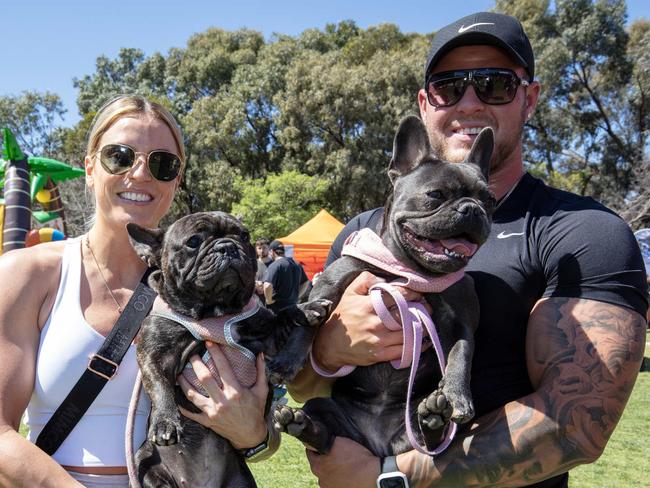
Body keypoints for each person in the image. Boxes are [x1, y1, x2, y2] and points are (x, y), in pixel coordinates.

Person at [289, 12, 648, 488]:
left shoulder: (583, 232)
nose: (470, 101)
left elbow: (577, 422)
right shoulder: (364, 235)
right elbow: (300, 384)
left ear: (530, 97)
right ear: (424, 102)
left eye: (494, 84)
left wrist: (392, 476)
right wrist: (330, 351)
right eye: (448, 86)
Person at [0, 95, 272, 488]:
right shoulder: (28, 274)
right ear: (90, 168)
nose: (141, 174)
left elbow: (262, 430)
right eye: (121, 156)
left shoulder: (210, 293)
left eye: (162, 165)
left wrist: (254, 434)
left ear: (176, 182)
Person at [262, 240, 309, 312]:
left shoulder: (275, 265)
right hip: (293, 308)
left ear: (272, 251)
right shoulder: (297, 264)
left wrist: (269, 301)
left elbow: (267, 285)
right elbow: (305, 283)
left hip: (277, 309)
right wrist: (297, 296)